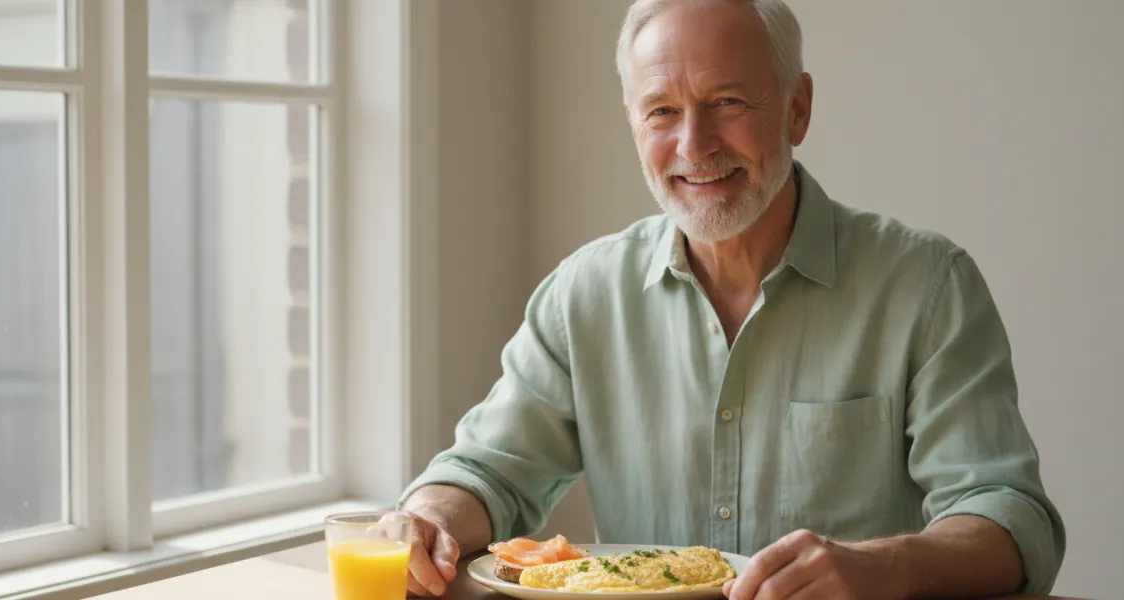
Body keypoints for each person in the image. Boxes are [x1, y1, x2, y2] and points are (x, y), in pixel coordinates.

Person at [390, 1, 1066, 598]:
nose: (695, 145)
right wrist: (430, 518)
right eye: (662, 111)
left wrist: (884, 567)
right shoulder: (583, 295)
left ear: (797, 109)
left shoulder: (926, 285)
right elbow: (486, 474)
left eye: (728, 103)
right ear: (634, 126)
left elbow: (1011, 518)